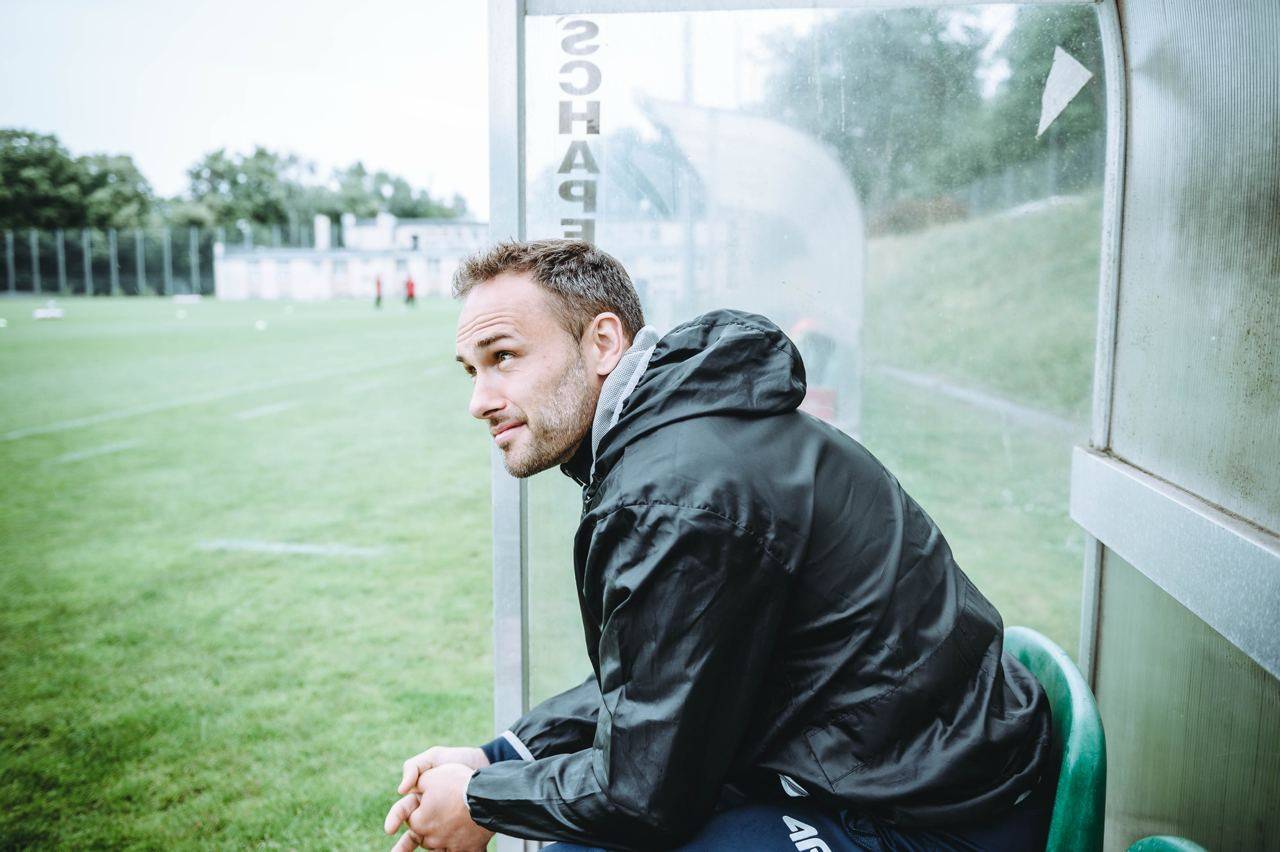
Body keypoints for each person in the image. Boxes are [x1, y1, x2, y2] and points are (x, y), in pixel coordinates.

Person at [384, 240, 1054, 852]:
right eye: (471, 370)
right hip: (898, 762)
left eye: (503, 357)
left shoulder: (675, 494)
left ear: (603, 342)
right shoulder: (681, 433)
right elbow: (664, 673)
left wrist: (480, 801)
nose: (479, 400)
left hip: (937, 817)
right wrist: (503, 754)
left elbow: (643, 797)